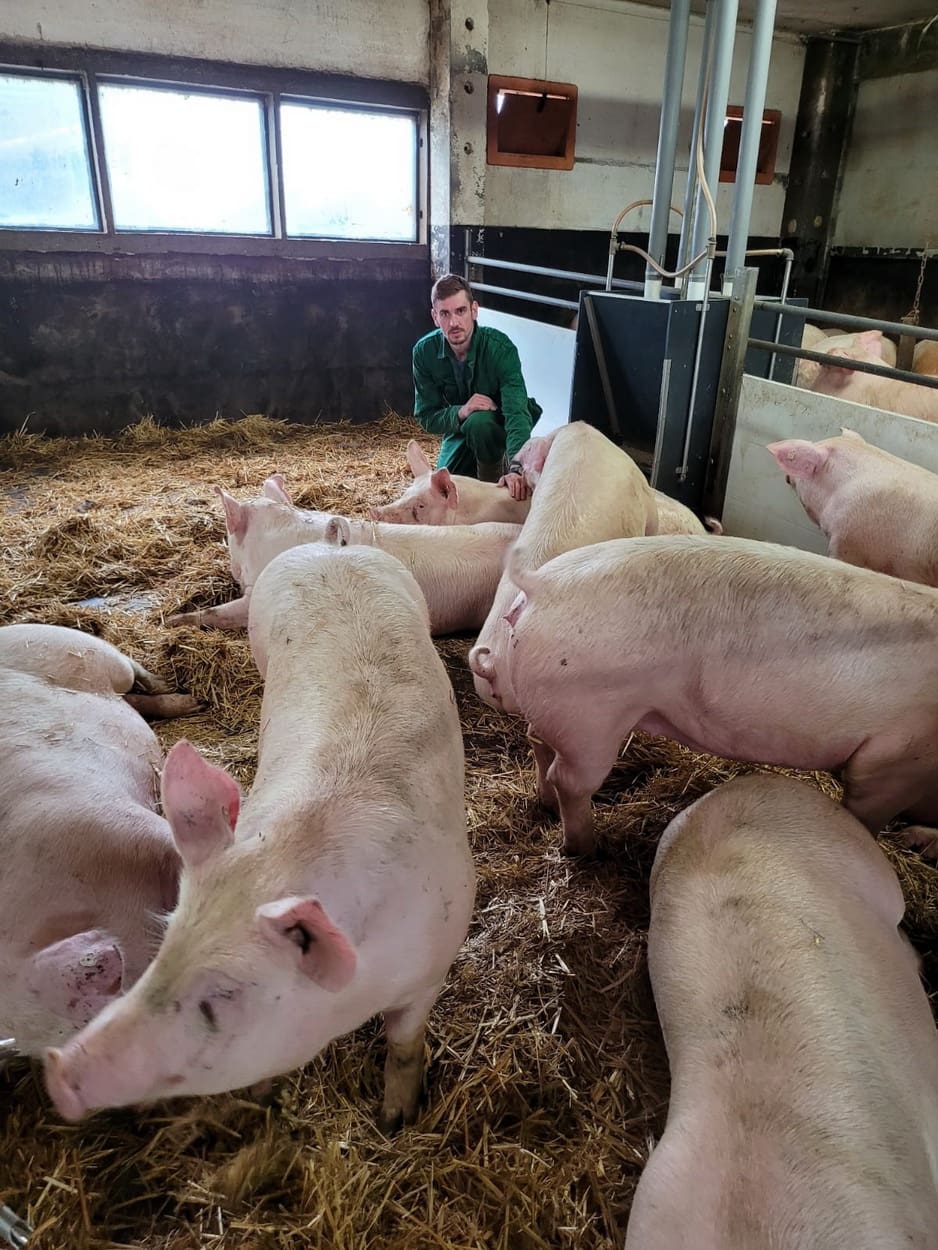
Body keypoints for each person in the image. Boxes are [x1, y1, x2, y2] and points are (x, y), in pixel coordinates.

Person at [411, 274, 542, 486]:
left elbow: (516, 412)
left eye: (460, 311)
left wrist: (518, 467)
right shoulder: (424, 352)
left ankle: (493, 481)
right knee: (446, 484)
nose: (453, 322)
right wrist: (461, 411)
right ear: (435, 317)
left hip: (499, 426)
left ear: (474, 310)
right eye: (444, 314)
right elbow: (427, 417)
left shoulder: (500, 348)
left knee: (480, 423)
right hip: (461, 429)